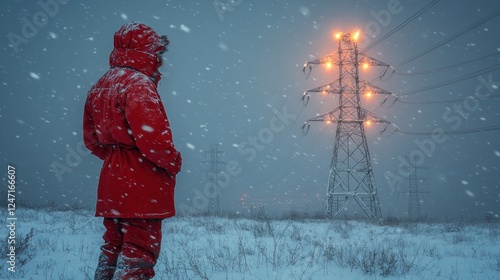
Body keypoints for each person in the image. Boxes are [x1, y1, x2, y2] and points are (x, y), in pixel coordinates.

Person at [83, 21, 182, 279]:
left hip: (112, 184)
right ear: (147, 52)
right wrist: (173, 162)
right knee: (139, 251)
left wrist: (117, 158)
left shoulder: (101, 85)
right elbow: (154, 140)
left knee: (112, 247)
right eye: (157, 54)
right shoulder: (138, 85)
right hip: (141, 186)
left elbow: (91, 140)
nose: (160, 61)